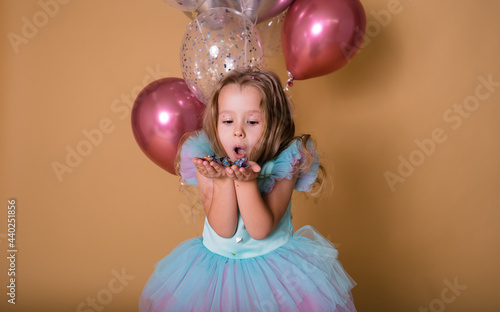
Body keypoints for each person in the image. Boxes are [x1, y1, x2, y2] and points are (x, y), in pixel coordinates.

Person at [139, 68, 356, 311]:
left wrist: (245, 182)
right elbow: (223, 229)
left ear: (273, 124)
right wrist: (222, 180)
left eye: (252, 122)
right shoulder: (205, 159)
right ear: (215, 122)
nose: (238, 131)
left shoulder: (286, 161)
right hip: (213, 274)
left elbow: (261, 229)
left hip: (277, 276)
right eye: (227, 121)